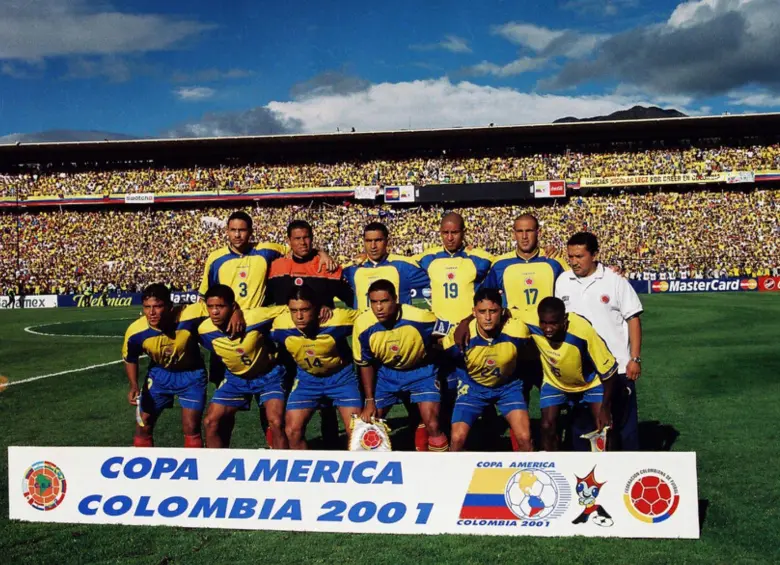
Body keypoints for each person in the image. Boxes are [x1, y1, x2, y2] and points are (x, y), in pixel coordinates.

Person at [555, 232, 643, 450]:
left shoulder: (615, 281)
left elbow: (633, 318)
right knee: (582, 429)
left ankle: (627, 475)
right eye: (571, 256)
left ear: (594, 255)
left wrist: (635, 358)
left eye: (579, 256)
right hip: (580, 370)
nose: (574, 261)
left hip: (617, 367)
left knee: (623, 428)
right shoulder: (563, 281)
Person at [353, 279, 449, 452]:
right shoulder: (363, 325)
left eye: (384, 301)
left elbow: (447, 333)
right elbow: (364, 363)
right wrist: (369, 401)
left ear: (395, 299)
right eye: (374, 302)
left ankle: (440, 469)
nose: (379, 307)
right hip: (387, 374)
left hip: (422, 372)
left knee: (432, 423)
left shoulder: (420, 317)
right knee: (369, 425)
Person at [191, 284, 287, 449]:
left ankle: (283, 468)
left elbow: (287, 310)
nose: (214, 312)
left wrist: (239, 312)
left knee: (276, 421)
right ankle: (216, 468)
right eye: (210, 307)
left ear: (232, 306)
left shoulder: (255, 318)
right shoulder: (204, 331)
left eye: (220, 306)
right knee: (210, 421)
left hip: (268, 377)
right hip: (235, 379)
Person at [270, 285, 362, 449]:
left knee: (357, 432)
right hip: (307, 380)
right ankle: (303, 472)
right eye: (293, 310)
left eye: (305, 310)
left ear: (317, 308)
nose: (299, 316)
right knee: (292, 431)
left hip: (341, 378)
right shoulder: (280, 325)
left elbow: (368, 317)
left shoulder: (338, 320)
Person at [441, 288, 534, 452]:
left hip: (508, 387)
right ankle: (453, 475)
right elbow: (446, 357)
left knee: (525, 438)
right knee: (457, 438)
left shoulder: (517, 331)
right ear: (474, 312)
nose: (488, 317)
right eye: (482, 312)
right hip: (473, 388)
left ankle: (528, 475)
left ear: (502, 312)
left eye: (493, 311)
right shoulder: (460, 337)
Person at [523, 297, 618, 451]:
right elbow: (506, 313)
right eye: (544, 323)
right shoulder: (531, 322)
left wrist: (605, 408)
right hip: (555, 382)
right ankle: (554, 468)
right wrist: (468, 322)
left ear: (564, 320)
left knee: (604, 429)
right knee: (547, 426)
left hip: (590, 384)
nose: (547, 329)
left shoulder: (583, 332)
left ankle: (607, 469)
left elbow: (609, 373)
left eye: (553, 323)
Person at [122, 283, 207, 448]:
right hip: (159, 375)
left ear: (169, 306)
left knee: (191, 427)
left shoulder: (190, 315)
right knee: (143, 424)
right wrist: (133, 385)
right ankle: (142, 470)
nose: (151, 313)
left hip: (192, 375)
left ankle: (193, 471)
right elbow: (131, 358)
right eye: (147, 307)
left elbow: (217, 307)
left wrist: (236, 313)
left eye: (157, 306)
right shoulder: (135, 332)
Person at [342, 222, 430, 311]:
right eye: (368, 241)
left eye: (378, 240)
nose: (373, 246)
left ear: (387, 241)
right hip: (364, 324)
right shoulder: (352, 270)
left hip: (397, 324)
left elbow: (436, 274)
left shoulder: (403, 266)